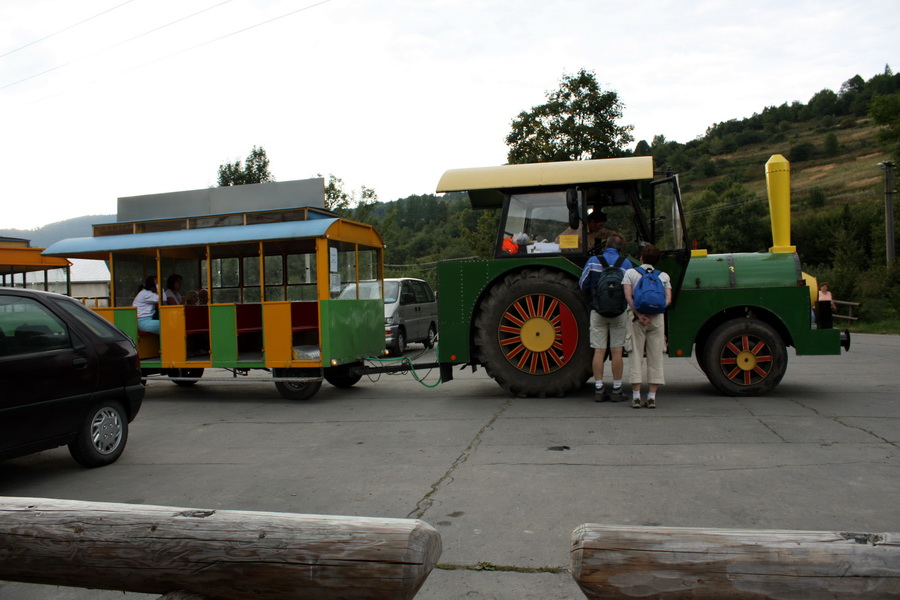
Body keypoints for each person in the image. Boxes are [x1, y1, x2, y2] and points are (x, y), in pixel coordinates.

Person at [579, 233, 632, 402]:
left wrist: (593, 299)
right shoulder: (625, 263)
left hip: (598, 311)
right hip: (618, 312)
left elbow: (583, 284)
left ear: (606, 246)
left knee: (599, 351)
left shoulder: (593, 261)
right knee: (617, 350)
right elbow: (631, 288)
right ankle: (617, 389)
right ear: (619, 248)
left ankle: (599, 389)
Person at [623, 244, 672, 409]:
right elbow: (667, 300)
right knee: (655, 356)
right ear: (657, 260)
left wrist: (639, 314)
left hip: (636, 319)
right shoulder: (663, 276)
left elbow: (628, 296)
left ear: (641, 258)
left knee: (635, 355)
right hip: (656, 319)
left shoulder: (630, 273)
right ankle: (651, 397)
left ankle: (636, 397)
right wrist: (653, 314)